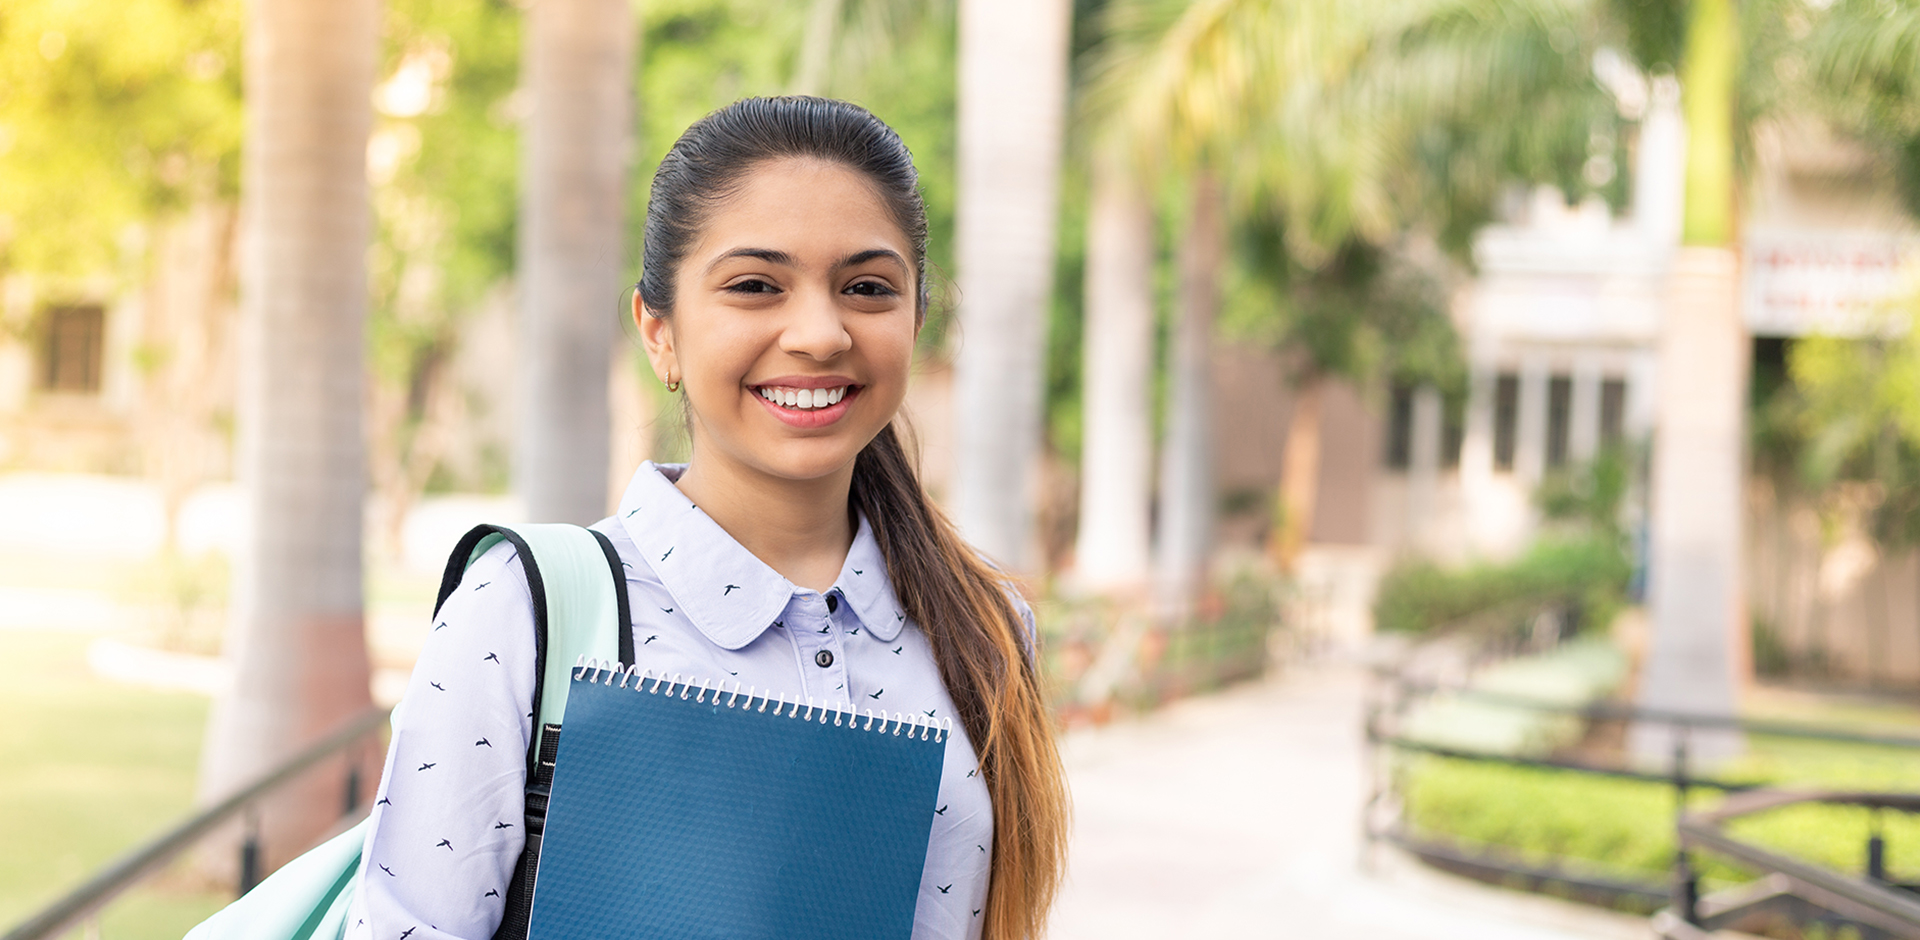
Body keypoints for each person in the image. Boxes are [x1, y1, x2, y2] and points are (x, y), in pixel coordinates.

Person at [343, 96, 1070, 940]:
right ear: (660, 333)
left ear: (915, 319)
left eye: (867, 288)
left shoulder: (985, 630)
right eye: (756, 286)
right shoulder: (529, 607)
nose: (820, 333)